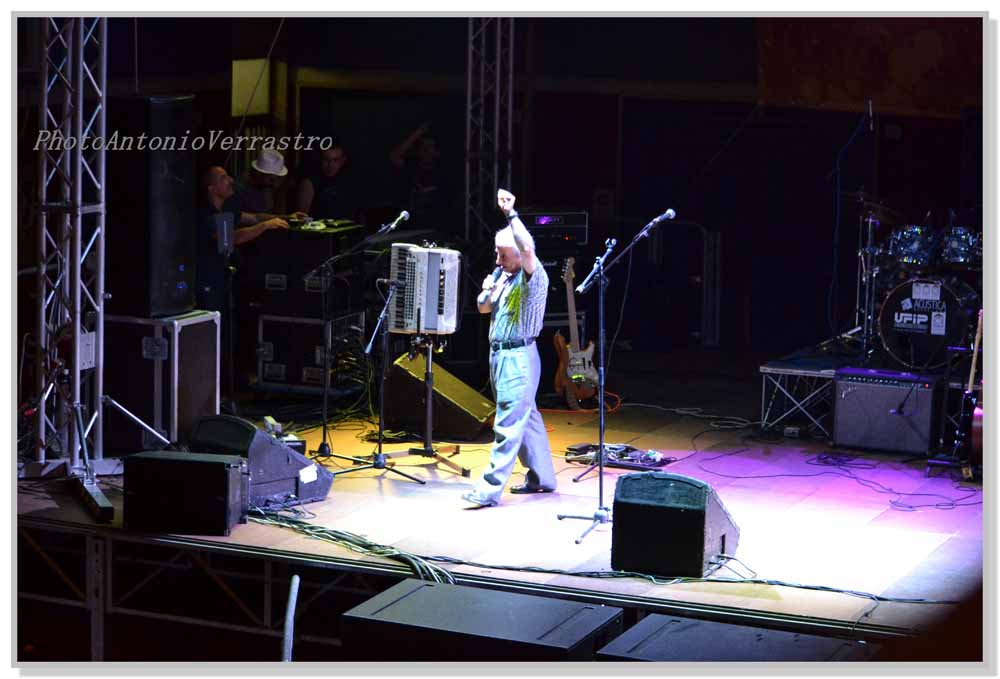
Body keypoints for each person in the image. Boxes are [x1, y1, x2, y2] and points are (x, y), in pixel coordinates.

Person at [462, 189, 558, 508]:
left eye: (503, 255)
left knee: (507, 424)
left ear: (519, 256)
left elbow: (528, 246)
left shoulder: (534, 277)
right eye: (496, 254)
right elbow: (483, 309)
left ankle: (489, 490)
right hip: (500, 356)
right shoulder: (503, 275)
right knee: (527, 419)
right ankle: (544, 478)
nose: (497, 260)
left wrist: (511, 214)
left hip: (519, 357)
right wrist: (488, 290)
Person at [196, 165, 291, 312]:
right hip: (208, 280)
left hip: (222, 279)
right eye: (223, 178)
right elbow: (232, 238)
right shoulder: (206, 215)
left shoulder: (225, 211)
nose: (231, 180)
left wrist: (287, 218)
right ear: (212, 189)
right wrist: (265, 226)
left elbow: (254, 217)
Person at [389, 122, 456, 232]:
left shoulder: (443, 173)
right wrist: (417, 133)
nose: (426, 150)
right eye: (423, 147)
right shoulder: (412, 166)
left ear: (436, 152)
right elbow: (395, 156)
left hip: (435, 226)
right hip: (411, 226)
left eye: (429, 147)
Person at [295, 144, 359, 220]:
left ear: (342, 161)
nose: (330, 165)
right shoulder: (309, 183)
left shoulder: (348, 182)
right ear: (320, 160)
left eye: (335, 160)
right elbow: (301, 218)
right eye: (326, 160)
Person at [225, 148, 291, 216]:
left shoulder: (265, 185)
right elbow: (239, 218)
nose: (275, 185)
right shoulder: (237, 190)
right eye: (271, 180)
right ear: (258, 173)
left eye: (278, 179)